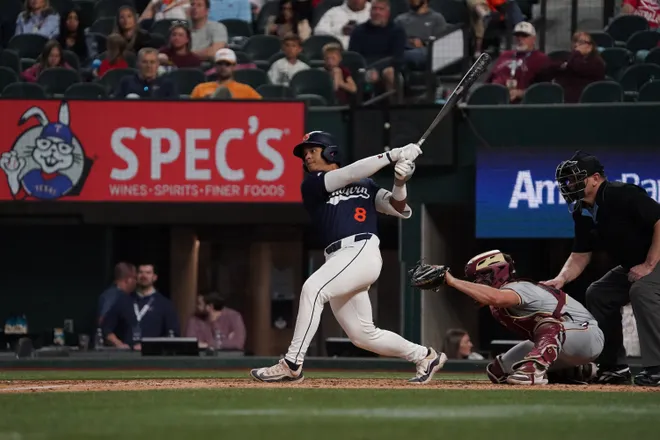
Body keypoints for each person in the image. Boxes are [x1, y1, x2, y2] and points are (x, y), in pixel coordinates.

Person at [250, 132, 445, 384]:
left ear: (330, 152)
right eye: (304, 152)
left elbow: (398, 207)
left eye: (312, 149)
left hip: (361, 250)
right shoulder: (313, 184)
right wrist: (392, 155)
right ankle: (424, 356)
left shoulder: (366, 184)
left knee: (313, 289)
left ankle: (291, 363)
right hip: (337, 258)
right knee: (363, 335)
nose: (306, 155)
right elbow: (350, 173)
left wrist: (400, 181)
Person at [543, 151, 660, 387]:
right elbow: (580, 255)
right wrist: (560, 279)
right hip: (633, 264)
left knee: (641, 290)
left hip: (655, 259)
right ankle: (615, 367)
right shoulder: (582, 211)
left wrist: (649, 264)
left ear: (596, 178)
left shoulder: (621, 193)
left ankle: (657, 369)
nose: (571, 185)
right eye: (568, 181)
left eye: (576, 179)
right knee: (599, 293)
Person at [409, 250, 604, 385]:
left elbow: (495, 296)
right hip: (564, 343)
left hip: (586, 334)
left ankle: (534, 373)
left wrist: (451, 280)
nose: (476, 284)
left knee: (550, 326)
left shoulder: (518, 287)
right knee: (498, 372)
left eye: (480, 278)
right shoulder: (497, 306)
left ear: (494, 275)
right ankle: (580, 371)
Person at [102, 263, 180, 350]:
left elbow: (173, 335)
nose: (144, 276)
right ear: (136, 276)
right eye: (140, 272)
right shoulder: (123, 301)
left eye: (148, 273)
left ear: (154, 277)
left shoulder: (165, 304)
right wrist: (119, 344)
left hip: (153, 357)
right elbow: (106, 329)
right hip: (126, 357)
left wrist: (150, 347)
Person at [538, 31, 605, 103]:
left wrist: (577, 54)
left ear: (590, 46)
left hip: (588, 102)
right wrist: (563, 65)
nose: (577, 45)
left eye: (581, 42)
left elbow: (579, 67)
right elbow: (547, 69)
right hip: (566, 102)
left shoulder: (597, 63)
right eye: (575, 42)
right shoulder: (570, 58)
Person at [190, 48, 261, 99]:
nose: (223, 67)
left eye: (227, 64)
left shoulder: (246, 91)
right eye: (220, 64)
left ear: (234, 66)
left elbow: (262, 108)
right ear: (215, 66)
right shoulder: (200, 89)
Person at [114, 47, 178, 98]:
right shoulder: (126, 82)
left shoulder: (167, 85)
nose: (149, 66)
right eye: (144, 62)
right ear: (138, 64)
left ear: (158, 64)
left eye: (152, 62)